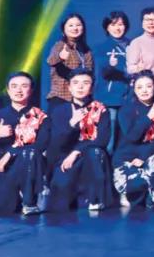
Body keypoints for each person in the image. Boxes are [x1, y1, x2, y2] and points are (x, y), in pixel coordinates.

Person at [0, 72, 50, 215]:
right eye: (14, 86)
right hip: (3, 171)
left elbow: (41, 145)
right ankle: (15, 198)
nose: (19, 90)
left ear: (31, 90)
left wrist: (10, 153)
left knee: (29, 152)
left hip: (30, 169)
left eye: (24, 86)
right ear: (8, 90)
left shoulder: (40, 117)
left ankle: (30, 200)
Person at [48, 68, 111, 211]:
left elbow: (102, 140)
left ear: (92, 88)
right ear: (69, 87)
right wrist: (71, 124)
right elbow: (56, 144)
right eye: (75, 83)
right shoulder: (59, 110)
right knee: (61, 197)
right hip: (65, 159)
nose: (80, 87)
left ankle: (96, 200)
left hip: (91, 157)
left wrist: (76, 152)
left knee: (95, 152)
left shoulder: (101, 109)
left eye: (85, 83)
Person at [112, 71, 154, 208]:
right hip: (128, 156)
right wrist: (148, 118)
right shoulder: (126, 110)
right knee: (133, 196)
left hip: (150, 156)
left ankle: (153, 192)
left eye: (148, 86)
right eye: (140, 87)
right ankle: (132, 191)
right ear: (134, 90)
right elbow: (132, 137)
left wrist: (144, 158)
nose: (144, 90)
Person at [95, 10, 131, 151]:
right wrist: (110, 65)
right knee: (110, 139)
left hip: (130, 98)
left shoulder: (133, 44)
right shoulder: (101, 48)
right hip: (110, 100)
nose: (117, 28)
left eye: (120, 24)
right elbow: (102, 72)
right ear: (107, 27)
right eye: (113, 24)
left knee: (126, 139)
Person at [45, 13, 94, 110]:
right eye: (71, 25)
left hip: (81, 99)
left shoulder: (86, 50)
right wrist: (60, 57)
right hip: (61, 98)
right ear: (64, 29)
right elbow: (50, 60)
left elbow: (90, 73)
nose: (75, 28)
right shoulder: (60, 45)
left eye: (78, 25)